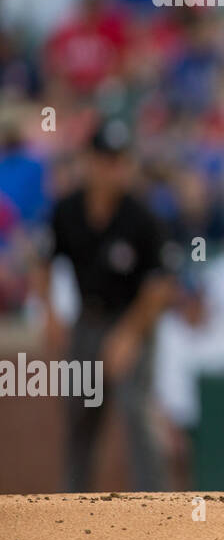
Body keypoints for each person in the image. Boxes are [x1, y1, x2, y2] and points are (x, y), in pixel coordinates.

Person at [34, 118, 172, 491]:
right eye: (107, 160)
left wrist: (127, 335)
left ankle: (157, 504)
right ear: (90, 162)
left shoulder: (141, 217)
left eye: (121, 160)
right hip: (87, 323)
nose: (116, 169)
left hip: (133, 321)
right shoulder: (67, 210)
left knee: (135, 409)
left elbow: (159, 286)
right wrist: (49, 314)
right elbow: (43, 261)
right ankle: (72, 504)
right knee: (80, 414)